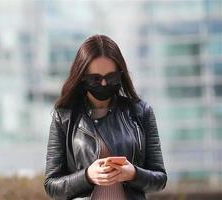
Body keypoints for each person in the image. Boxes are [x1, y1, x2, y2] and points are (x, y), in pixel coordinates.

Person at [43, 34, 167, 200]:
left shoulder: (140, 112)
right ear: (81, 78)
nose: (103, 84)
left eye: (111, 78)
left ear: (120, 75)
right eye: (95, 79)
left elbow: (160, 179)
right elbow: (51, 185)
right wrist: (87, 176)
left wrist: (133, 174)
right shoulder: (64, 117)